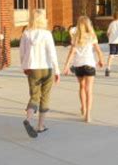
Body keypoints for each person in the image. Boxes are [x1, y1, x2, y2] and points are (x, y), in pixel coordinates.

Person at [20, 10, 60, 138]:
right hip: (46, 68)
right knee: (45, 97)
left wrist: (24, 67)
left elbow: (22, 53)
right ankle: (40, 126)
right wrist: (57, 70)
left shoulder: (26, 34)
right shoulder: (47, 34)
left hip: (33, 69)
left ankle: (29, 119)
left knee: (34, 96)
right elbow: (52, 53)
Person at [62, 16, 104, 123]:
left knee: (81, 87)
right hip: (89, 64)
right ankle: (88, 115)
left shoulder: (76, 37)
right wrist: (101, 60)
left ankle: (83, 108)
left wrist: (66, 66)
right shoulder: (92, 36)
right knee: (89, 89)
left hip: (78, 65)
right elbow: (98, 50)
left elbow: (72, 53)